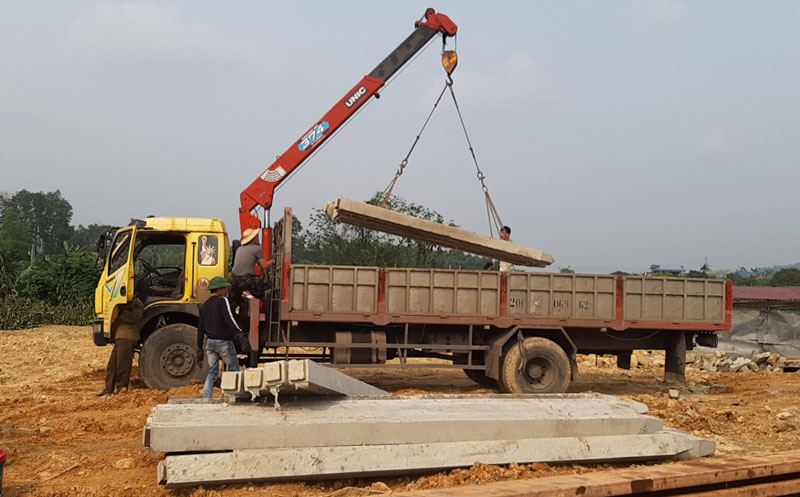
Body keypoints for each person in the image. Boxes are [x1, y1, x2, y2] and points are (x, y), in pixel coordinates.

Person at [197, 276, 242, 399]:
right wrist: (238, 332)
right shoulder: (223, 301)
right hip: (224, 343)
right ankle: (235, 396)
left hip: (210, 343)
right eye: (225, 289)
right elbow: (229, 318)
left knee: (212, 371)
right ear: (219, 289)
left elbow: (200, 329)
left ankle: (207, 397)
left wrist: (199, 348)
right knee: (234, 369)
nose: (226, 291)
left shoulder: (204, 306)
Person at [97, 298, 144, 397]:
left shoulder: (137, 303)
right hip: (120, 338)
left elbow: (135, 317)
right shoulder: (121, 303)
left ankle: (121, 388)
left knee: (123, 365)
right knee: (112, 366)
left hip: (128, 337)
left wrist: (121, 311)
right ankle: (108, 390)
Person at [230, 228, 275, 305]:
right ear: (254, 238)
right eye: (257, 236)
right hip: (247, 280)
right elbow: (264, 266)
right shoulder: (257, 249)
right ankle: (248, 294)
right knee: (269, 286)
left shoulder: (240, 249)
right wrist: (271, 262)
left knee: (233, 302)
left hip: (233, 279)